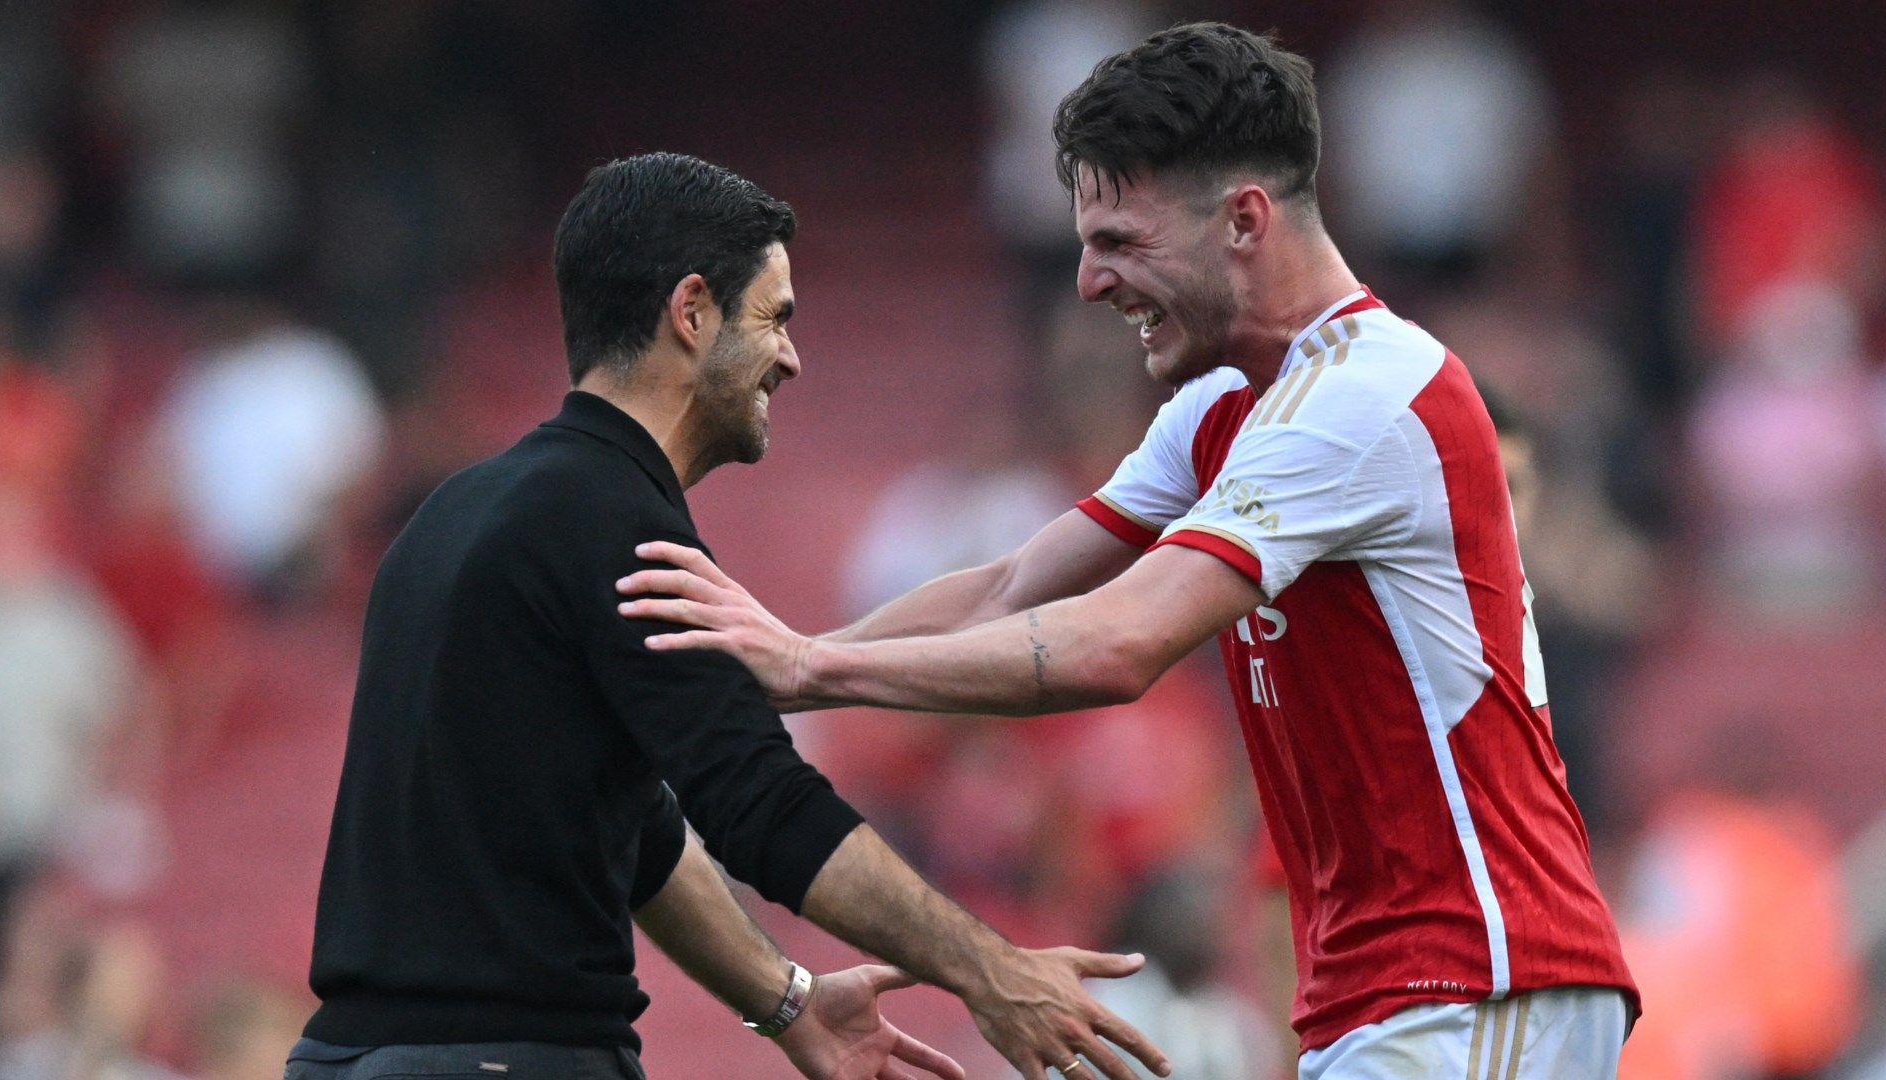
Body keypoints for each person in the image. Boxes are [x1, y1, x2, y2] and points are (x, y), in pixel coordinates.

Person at [618, 24, 1639, 1080]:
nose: (1089, 282)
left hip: (1479, 977)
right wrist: (779, 674)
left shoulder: (1365, 395)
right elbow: (1012, 587)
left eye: (1119, 240)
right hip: (1404, 993)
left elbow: (1117, 645)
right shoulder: (1223, 408)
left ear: (1244, 219)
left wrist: (815, 666)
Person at [291, 154, 1171, 1080]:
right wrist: (993, 972)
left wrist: (785, 1000)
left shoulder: (457, 514)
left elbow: (633, 825)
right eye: (774, 317)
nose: (789, 357)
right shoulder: (612, 520)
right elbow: (761, 806)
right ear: (693, 311)